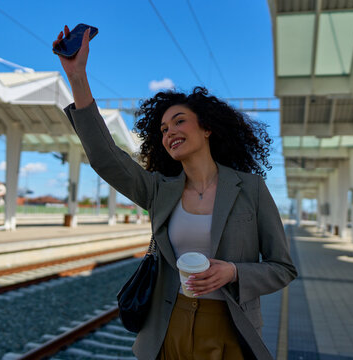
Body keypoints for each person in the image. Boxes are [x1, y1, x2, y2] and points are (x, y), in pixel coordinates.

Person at [54, 25, 297, 360]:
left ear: (207, 128)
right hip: (168, 327)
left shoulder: (250, 189)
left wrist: (234, 271)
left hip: (230, 330)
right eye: (164, 129)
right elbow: (106, 158)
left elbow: (283, 267)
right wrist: (77, 77)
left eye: (180, 121)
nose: (170, 132)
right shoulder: (159, 191)